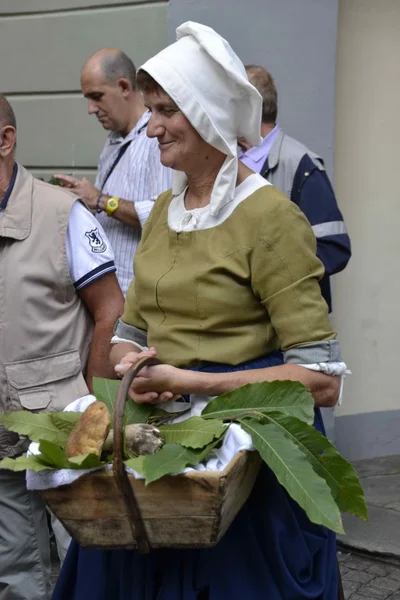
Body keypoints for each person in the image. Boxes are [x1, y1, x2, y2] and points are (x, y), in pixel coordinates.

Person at [53, 22, 347, 600]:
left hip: (246, 462)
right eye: (152, 108)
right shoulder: (163, 212)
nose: (152, 126)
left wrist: (189, 380)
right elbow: (128, 334)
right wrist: (132, 365)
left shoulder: (270, 218)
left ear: (209, 112)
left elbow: (320, 380)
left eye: (166, 110)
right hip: (161, 448)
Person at [0, 94, 124, 600]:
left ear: (4, 140)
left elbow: (110, 309)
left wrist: (98, 405)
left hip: (64, 428)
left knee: (86, 560)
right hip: (4, 437)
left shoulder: (63, 214)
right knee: (14, 567)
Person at [55, 48, 172, 296]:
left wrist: (99, 200)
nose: (91, 108)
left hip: (140, 300)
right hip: (111, 293)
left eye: (97, 96)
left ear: (124, 87)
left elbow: (165, 215)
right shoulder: (112, 141)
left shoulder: (158, 138)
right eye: (87, 98)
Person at [239, 65, 351, 312]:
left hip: (287, 329)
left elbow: (334, 246)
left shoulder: (302, 164)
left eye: (230, 102)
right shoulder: (228, 162)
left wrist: (273, 277)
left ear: (249, 108)